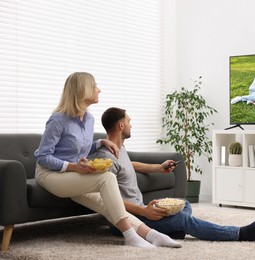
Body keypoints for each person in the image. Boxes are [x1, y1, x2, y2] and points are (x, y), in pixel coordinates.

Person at [34, 72, 181, 249]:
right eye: (95, 86)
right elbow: (43, 157)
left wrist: (100, 143)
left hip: (71, 177)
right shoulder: (58, 120)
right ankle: (130, 236)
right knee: (107, 177)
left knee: (106, 203)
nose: (99, 89)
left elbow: (77, 148)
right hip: (50, 175)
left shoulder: (88, 119)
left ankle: (152, 235)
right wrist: (73, 166)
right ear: (83, 89)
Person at [94, 106, 255, 242]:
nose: (131, 125)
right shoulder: (105, 156)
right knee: (183, 220)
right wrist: (144, 211)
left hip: (141, 211)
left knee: (183, 204)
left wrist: (159, 167)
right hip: (126, 221)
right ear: (121, 125)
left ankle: (173, 230)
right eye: (129, 121)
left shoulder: (119, 149)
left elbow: (129, 165)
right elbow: (109, 199)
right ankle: (241, 234)